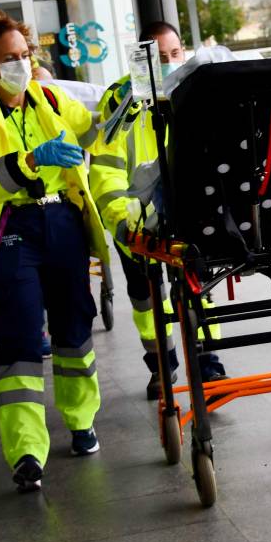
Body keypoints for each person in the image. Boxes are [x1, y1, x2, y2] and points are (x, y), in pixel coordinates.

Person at [0, 9, 107, 493]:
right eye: (8, 58)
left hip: (62, 221)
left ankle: (81, 421)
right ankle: (25, 452)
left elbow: (93, 133)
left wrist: (119, 106)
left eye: (24, 55)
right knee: (19, 339)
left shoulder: (51, 97)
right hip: (13, 228)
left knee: (74, 327)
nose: (20, 63)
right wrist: (30, 159)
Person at [89, 21, 227, 401]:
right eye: (159, 56)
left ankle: (208, 366)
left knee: (198, 287)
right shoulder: (121, 99)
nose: (169, 63)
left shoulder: (195, 90)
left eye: (175, 54)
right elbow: (106, 166)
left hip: (185, 211)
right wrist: (123, 220)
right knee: (146, 297)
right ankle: (162, 365)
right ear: (141, 58)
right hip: (134, 216)